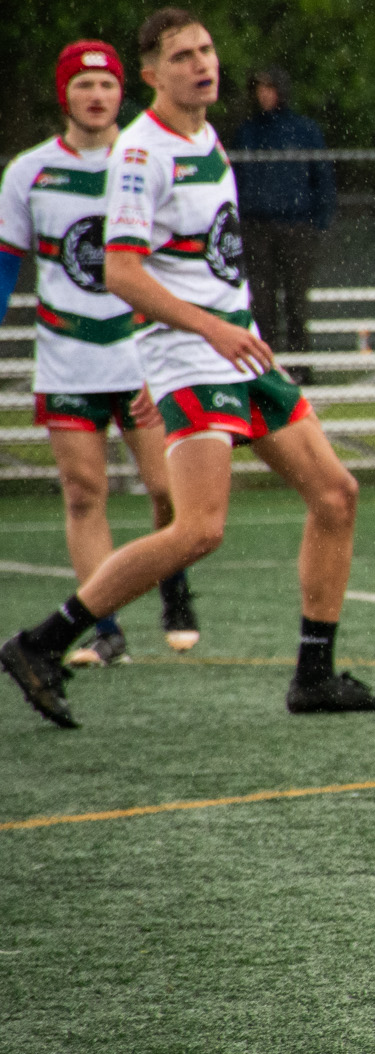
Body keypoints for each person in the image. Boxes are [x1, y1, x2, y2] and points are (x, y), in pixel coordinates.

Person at [1, 9, 375, 728]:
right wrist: (210, 328)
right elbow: (121, 273)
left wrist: (233, 326)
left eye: (208, 49)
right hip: (193, 355)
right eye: (182, 56)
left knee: (337, 493)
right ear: (151, 75)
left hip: (238, 348)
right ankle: (41, 642)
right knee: (199, 530)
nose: (203, 63)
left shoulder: (207, 134)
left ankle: (314, 674)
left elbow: (208, 256)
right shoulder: (140, 154)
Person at [0, 43, 203, 667]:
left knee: (167, 489)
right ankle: (105, 629)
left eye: (107, 85)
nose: (96, 95)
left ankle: (174, 587)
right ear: (65, 94)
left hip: (141, 354)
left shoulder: (143, 160)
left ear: (123, 93)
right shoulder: (27, 174)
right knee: (84, 492)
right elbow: (7, 266)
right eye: (83, 84)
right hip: (67, 358)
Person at [231, 66, 335, 373]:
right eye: (259, 89)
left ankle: (302, 369)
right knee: (261, 303)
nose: (264, 95)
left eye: (269, 88)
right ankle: (267, 369)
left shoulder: (303, 131)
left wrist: (319, 222)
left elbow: (322, 178)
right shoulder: (247, 133)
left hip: (296, 226)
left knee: (296, 302)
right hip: (256, 227)